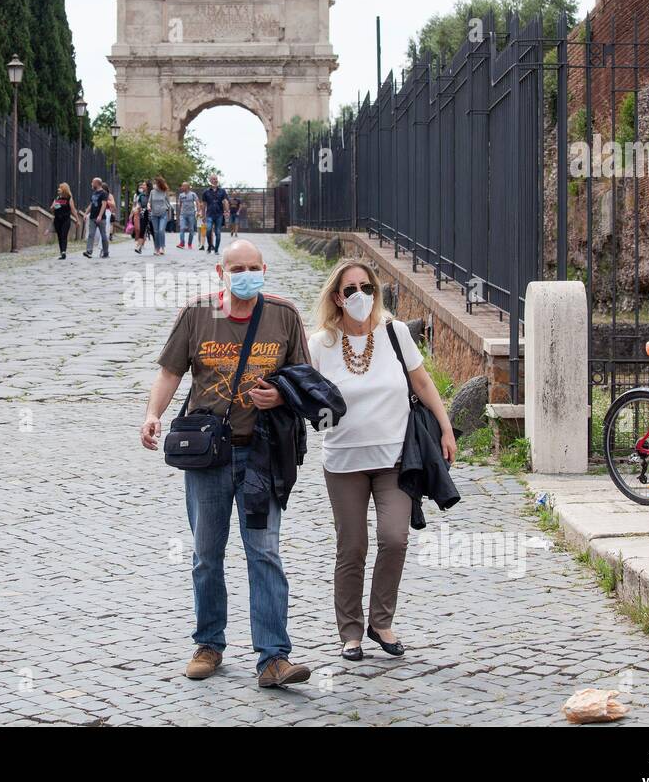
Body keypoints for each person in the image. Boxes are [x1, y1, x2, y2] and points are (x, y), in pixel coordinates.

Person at [141, 238, 314, 689]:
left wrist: (280, 395)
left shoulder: (284, 315)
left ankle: (274, 657)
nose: (245, 274)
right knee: (205, 554)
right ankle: (209, 644)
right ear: (221, 273)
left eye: (252, 267)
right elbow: (170, 372)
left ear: (264, 268)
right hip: (208, 454)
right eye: (236, 268)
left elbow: (306, 381)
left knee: (265, 553)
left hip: (261, 454)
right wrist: (152, 414)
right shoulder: (198, 314)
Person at [307, 260, 456, 662]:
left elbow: (422, 382)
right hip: (343, 461)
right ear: (337, 297)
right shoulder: (320, 343)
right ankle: (350, 631)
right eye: (350, 289)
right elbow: (305, 394)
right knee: (351, 546)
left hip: (395, 458)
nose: (359, 296)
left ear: (376, 291)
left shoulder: (394, 333)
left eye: (366, 287)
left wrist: (445, 427)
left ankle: (381, 621)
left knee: (394, 538)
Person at [82, 177, 110, 259]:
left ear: (97, 183)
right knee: (91, 234)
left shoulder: (103, 193)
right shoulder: (94, 193)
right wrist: (85, 214)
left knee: (103, 235)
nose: (91, 184)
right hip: (92, 217)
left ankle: (105, 252)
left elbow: (104, 205)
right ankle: (89, 251)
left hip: (101, 218)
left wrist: (100, 215)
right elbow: (91, 205)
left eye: (92, 182)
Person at [201, 176, 229, 254]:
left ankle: (216, 249)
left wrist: (227, 211)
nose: (215, 180)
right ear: (210, 181)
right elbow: (203, 204)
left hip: (219, 214)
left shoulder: (222, 191)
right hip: (209, 214)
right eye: (213, 179)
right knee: (208, 230)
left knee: (218, 232)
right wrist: (203, 215)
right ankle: (210, 246)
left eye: (216, 179)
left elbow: (225, 201)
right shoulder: (206, 192)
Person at [50, 183, 78, 260]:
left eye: (60, 188)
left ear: (64, 189)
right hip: (57, 220)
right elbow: (52, 209)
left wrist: (77, 219)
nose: (58, 189)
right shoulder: (57, 198)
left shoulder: (69, 198)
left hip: (66, 220)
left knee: (64, 235)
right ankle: (61, 251)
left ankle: (63, 252)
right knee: (59, 236)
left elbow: (73, 209)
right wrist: (53, 206)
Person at [148, 177, 171, 256]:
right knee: (156, 232)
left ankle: (162, 247)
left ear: (159, 183)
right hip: (154, 214)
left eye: (156, 183)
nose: (154, 184)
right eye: (154, 183)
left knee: (161, 230)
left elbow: (168, 203)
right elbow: (149, 202)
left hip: (163, 213)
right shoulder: (152, 192)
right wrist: (148, 206)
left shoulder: (164, 191)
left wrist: (168, 210)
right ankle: (156, 248)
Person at [176, 182, 199, 249]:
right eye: (182, 186)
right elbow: (180, 205)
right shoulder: (181, 195)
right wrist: (179, 214)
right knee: (182, 228)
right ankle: (182, 243)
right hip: (183, 214)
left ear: (187, 187)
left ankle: (189, 244)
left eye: (183, 186)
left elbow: (197, 202)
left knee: (191, 229)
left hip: (191, 214)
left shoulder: (193, 194)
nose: (182, 187)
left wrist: (198, 211)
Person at [132, 181, 151, 254]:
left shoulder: (152, 194)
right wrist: (136, 208)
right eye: (142, 185)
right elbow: (138, 204)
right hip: (143, 214)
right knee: (142, 230)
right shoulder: (141, 195)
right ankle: (139, 246)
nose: (142, 187)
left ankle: (159, 248)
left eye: (144, 185)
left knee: (154, 231)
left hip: (152, 215)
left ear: (148, 186)